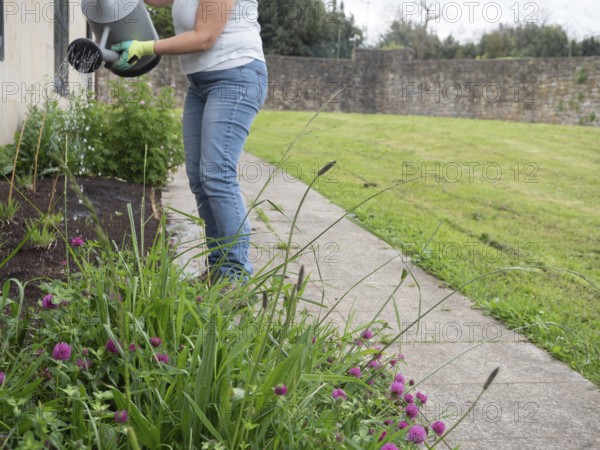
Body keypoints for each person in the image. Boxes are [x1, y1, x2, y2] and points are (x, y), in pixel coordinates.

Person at [111, 0, 267, 284]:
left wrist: (146, 47)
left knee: (217, 176)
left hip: (236, 76)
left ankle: (236, 276)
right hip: (201, 83)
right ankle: (218, 271)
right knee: (199, 178)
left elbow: (204, 37)